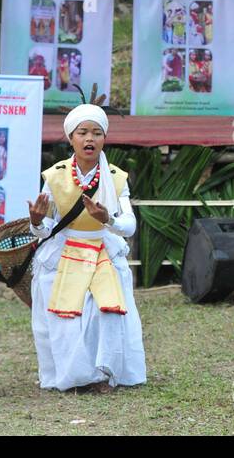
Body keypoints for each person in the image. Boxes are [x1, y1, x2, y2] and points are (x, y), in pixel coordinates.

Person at [27, 104, 146, 392]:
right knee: (66, 315)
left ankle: (105, 373)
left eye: (96, 133)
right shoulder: (54, 177)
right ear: (71, 138)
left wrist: (108, 219)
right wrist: (36, 222)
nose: (89, 139)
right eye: (83, 132)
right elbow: (45, 230)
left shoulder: (116, 178)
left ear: (104, 138)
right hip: (64, 250)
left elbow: (129, 226)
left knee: (105, 310)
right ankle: (75, 376)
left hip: (103, 250)